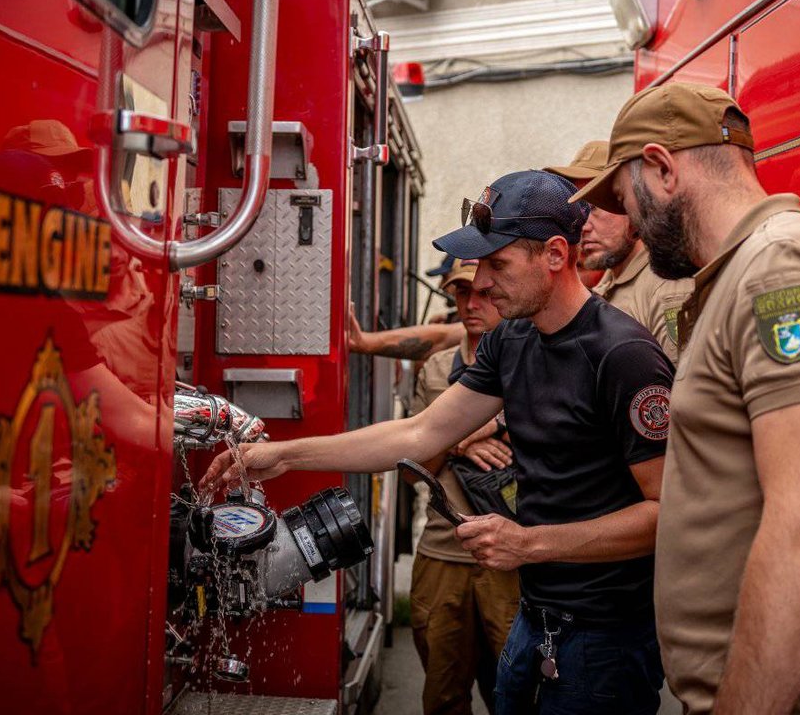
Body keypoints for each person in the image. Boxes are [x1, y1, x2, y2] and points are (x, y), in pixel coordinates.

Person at [204, 169, 671, 714]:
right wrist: (283, 455)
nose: (484, 284)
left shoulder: (623, 355)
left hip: (605, 639)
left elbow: (666, 514)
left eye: (498, 264)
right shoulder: (513, 340)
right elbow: (418, 432)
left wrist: (529, 543)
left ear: (555, 253)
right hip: (535, 619)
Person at [573, 82, 800, 715]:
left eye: (627, 200)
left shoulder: (783, 270)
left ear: (661, 167)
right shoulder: (747, 273)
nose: (637, 227)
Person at [408, 257, 520, 715]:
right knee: (442, 692)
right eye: (461, 294)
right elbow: (415, 464)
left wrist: (487, 424)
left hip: (511, 551)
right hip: (443, 549)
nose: (473, 305)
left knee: (515, 692)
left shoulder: (529, 360)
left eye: (483, 293)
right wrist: (460, 439)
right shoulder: (436, 371)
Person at [547, 141, 693, 363]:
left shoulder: (665, 287)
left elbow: (679, 386)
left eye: (594, 209)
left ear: (628, 203)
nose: (582, 226)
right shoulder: (606, 284)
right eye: (576, 212)